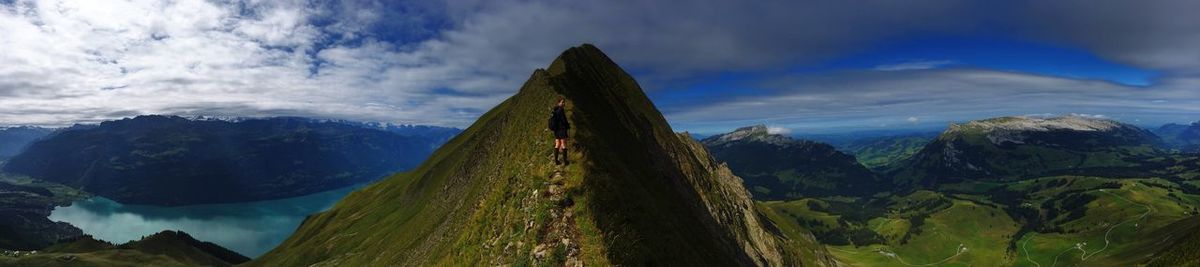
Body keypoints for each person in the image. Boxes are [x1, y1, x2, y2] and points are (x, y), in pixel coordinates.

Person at [549, 97, 570, 165]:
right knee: (564, 144)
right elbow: (563, 120)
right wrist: (567, 126)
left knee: (557, 144)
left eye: (564, 102)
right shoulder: (561, 110)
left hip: (556, 130)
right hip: (561, 129)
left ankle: (556, 161)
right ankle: (565, 161)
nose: (564, 103)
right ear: (559, 102)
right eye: (562, 102)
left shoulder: (555, 109)